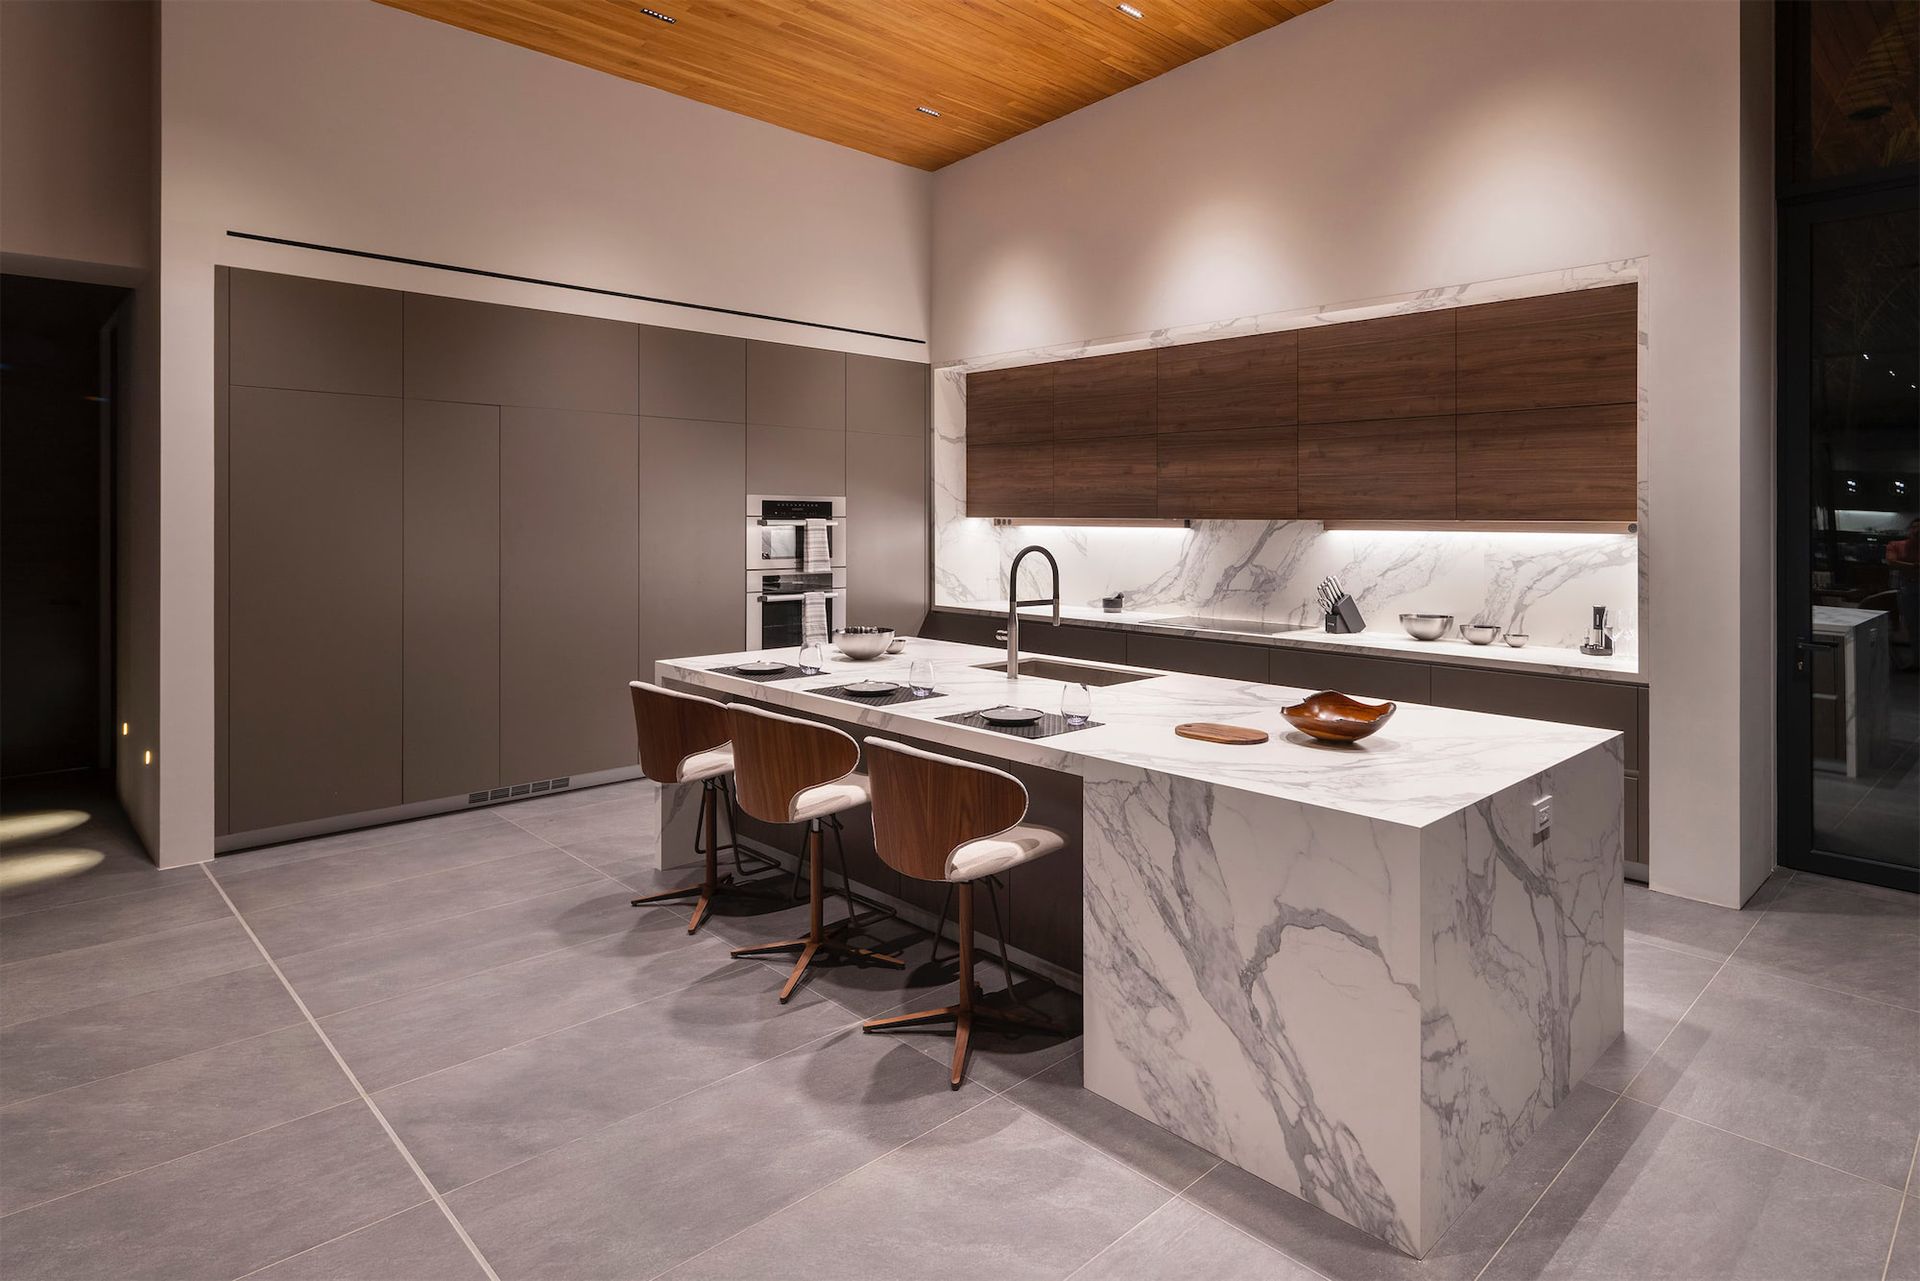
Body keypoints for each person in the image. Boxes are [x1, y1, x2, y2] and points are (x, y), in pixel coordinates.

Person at [1888, 515, 1920, 669]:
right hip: (1908, 587)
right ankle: (1916, 661)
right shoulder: (1897, 544)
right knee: (1913, 626)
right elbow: (1891, 562)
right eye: (1914, 527)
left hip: (1909, 586)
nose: (1916, 530)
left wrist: (1907, 566)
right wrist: (1914, 566)